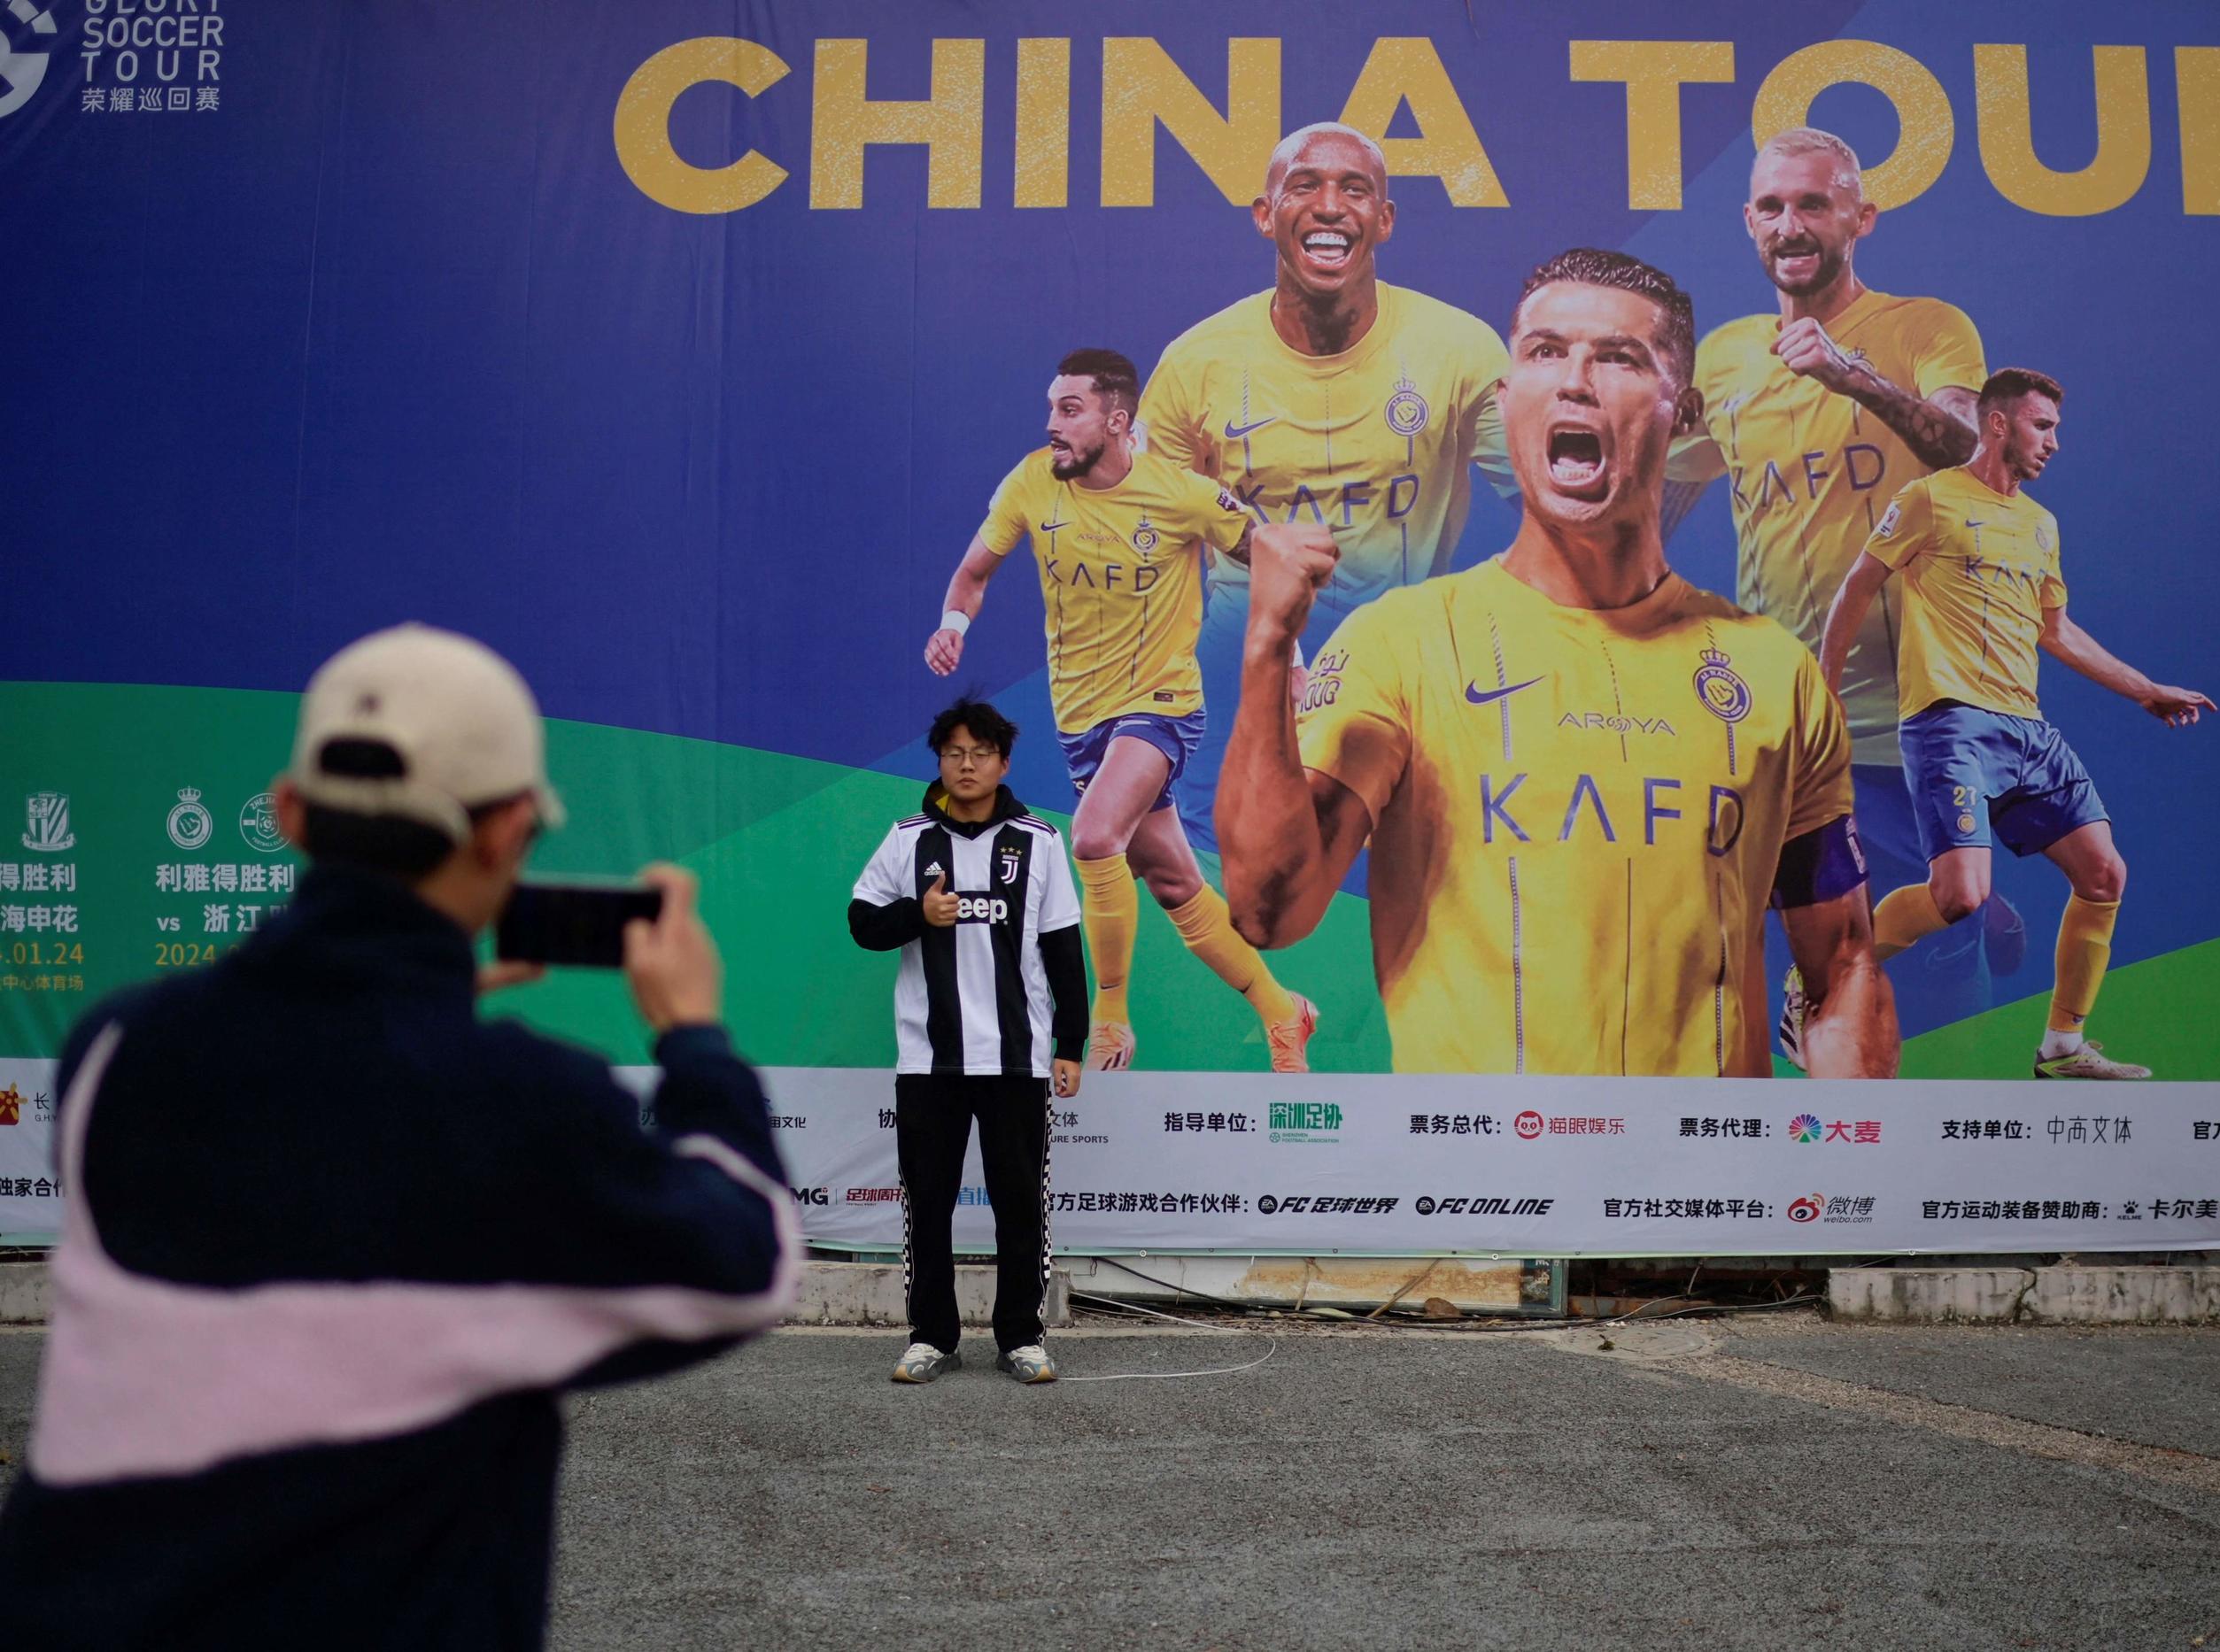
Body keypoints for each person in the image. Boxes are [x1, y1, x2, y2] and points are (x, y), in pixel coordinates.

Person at [0, 623, 801, 1648]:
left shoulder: (112, 1054)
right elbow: (749, 1260)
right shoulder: (521, 1104)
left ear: (288, 813)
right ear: (510, 829)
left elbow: (311, 1109)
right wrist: (693, 1037)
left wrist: (420, 1001)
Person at [1217, 249, 1898, 1078]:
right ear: (1507, 404)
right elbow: (1266, 909)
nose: (1575, 381)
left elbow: (1844, 963)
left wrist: (1844, 1167)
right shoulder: (1400, 642)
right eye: (1544, 352)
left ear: (1683, 413)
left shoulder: (1775, 673)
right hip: (1478, 1193)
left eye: (1617, 358)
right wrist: (1265, 650)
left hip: (1706, 1195)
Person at [1665, 126, 2014, 1049]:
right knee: (1799, 993)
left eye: (1813, 203)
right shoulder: (1728, 357)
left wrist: (1850, 376)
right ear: (1748, 223)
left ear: (1861, 216)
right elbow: (1659, 495)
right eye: (1772, 206)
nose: (1791, 224)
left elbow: (1964, 444)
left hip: (1910, 715)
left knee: (1942, 997)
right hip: (1777, 725)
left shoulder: (1923, 328)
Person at [925, 350, 1317, 1074]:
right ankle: (1280, 1008)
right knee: (1173, 885)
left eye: (1069, 410)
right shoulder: (1032, 482)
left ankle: (1107, 1020)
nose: (1052, 426)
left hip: (1161, 706)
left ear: (1116, 420)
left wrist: (1290, 662)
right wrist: (954, 622)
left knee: (1096, 836)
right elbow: (974, 572)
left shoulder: (1180, 494)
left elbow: (1273, 559)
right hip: (1081, 719)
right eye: (1050, 408)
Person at [1817, 369, 2217, 1078]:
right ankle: (1819, 979)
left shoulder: (2040, 525)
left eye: (2056, 429)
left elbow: (2056, 632)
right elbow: (1858, 586)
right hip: (1950, 725)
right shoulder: (1929, 499)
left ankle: (2062, 1047)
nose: (2054, 443)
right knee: (1960, 897)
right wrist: (1824, 688)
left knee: (2103, 873)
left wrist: (2144, 689)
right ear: (1997, 424)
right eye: (2042, 426)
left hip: (2026, 731)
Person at [1139, 121, 1516, 853]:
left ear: (1384, 219)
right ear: (1265, 214)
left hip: (1402, 680)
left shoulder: (1459, 349)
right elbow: (1154, 544)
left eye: (1355, 189)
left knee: (1398, 900)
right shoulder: (1197, 364)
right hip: (1241, 674)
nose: (1330, 206)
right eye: (1304, 185)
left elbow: (1552, 511)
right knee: (1229, 893)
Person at [848, 698, 1088, 1383]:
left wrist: (1068, 1044)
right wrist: (917, 914)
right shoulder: (907, 839)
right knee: (927, 1202)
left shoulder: (1039, 841)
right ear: (940, 762)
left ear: (1003, 763)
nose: (966, 764)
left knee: (1020, 1204)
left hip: (1016, 1061)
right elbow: (863, 924)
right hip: (929, 1061)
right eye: (953, 753)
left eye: (980, 752)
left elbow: (1065, 952)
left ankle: (1021, 1336)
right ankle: (932, 1336)